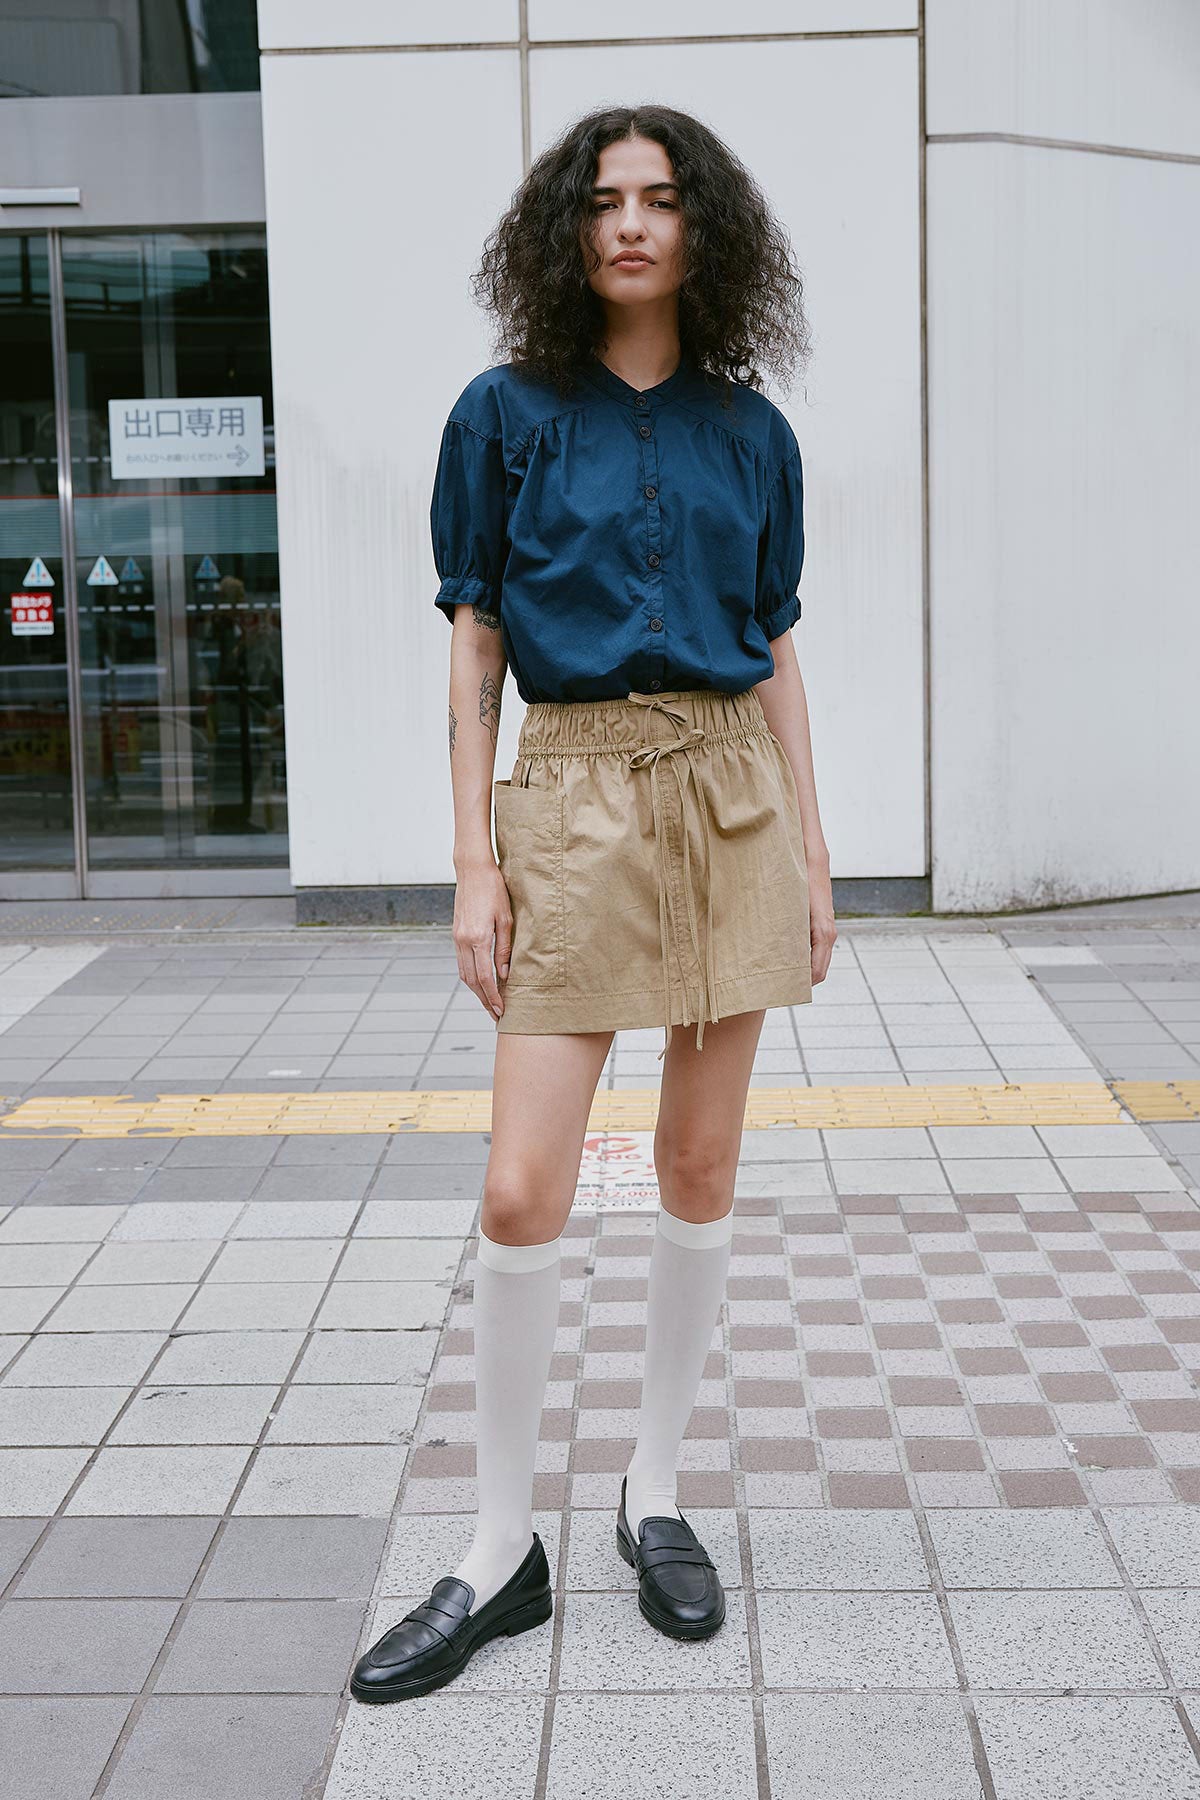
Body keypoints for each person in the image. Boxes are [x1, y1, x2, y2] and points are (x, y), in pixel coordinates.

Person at [350, 103, 836, 1705]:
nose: (631, 224)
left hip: (732, 798)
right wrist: (474, 865)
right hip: (563, 803)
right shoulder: (502, 416)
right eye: (604, 200)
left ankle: (656, 1489)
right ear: (567, 231)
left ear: (707, 230)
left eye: (662, 199)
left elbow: (771, 648)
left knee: (700, 1163)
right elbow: (476, 642)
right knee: (519, 1187)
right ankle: (500, 1542)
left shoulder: (753, 431)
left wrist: (817, 857)